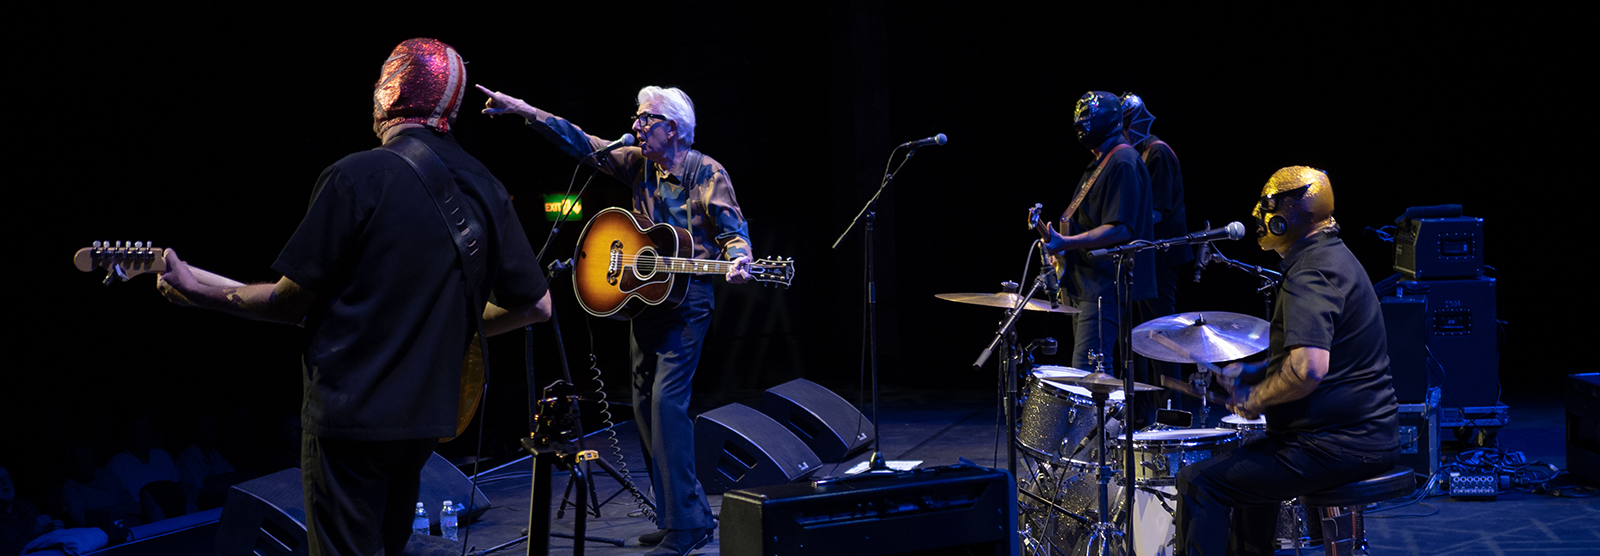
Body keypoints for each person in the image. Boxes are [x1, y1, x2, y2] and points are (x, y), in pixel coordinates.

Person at [156, 38, 553, 556]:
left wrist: (197, 295)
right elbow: (537, 306)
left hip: (351, 417)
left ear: (391, 94)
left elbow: (288, 303)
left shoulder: (356, 176)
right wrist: (454, 327)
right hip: (427, 421)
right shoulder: (488, 186)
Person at [477, 83, 752, 556]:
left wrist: (741, 259)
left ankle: (690, 524)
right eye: (637, 118)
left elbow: (734, 232)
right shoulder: (637, 163)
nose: (636, 126)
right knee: (644, 409)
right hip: (646, 299)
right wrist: (523, 109)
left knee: (667, 407)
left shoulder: (707, 172)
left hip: (688, 302)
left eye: (645, 119)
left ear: (673, 128)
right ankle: (675, 519)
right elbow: (580, 141)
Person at [1174, 167, 1399, 556]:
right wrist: (1256, 371)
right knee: (1247, 476)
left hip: (1338, 445)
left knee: (1199, 483)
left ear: (1300, 212)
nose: (1259, 215)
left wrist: (1258, 398)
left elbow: (1310, 368)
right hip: (1358, 437)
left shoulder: (1311, 272)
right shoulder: (1330, 256)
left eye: (1270, 206)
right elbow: (1328, 353)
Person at [1038, 91, 1155, 376]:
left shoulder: (1123, 160)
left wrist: (1067, 242)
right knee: (1086, 373)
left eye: (1088, 117)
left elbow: (1120, 228)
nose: (1081, 123)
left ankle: (1101, 423)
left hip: (1102, 287)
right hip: (1086, 283)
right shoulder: (1103, 160)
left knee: (1089, 373)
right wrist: (1059, 244)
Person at [1122, 93, 1194, 423]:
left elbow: (1154, 212)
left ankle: (1171, 412)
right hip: (1147, 256)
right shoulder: (1141, 155)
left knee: (1162, 333)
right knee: (1145, 334)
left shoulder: (1157, 153)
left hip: (1161, 256)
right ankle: (1145, 413)